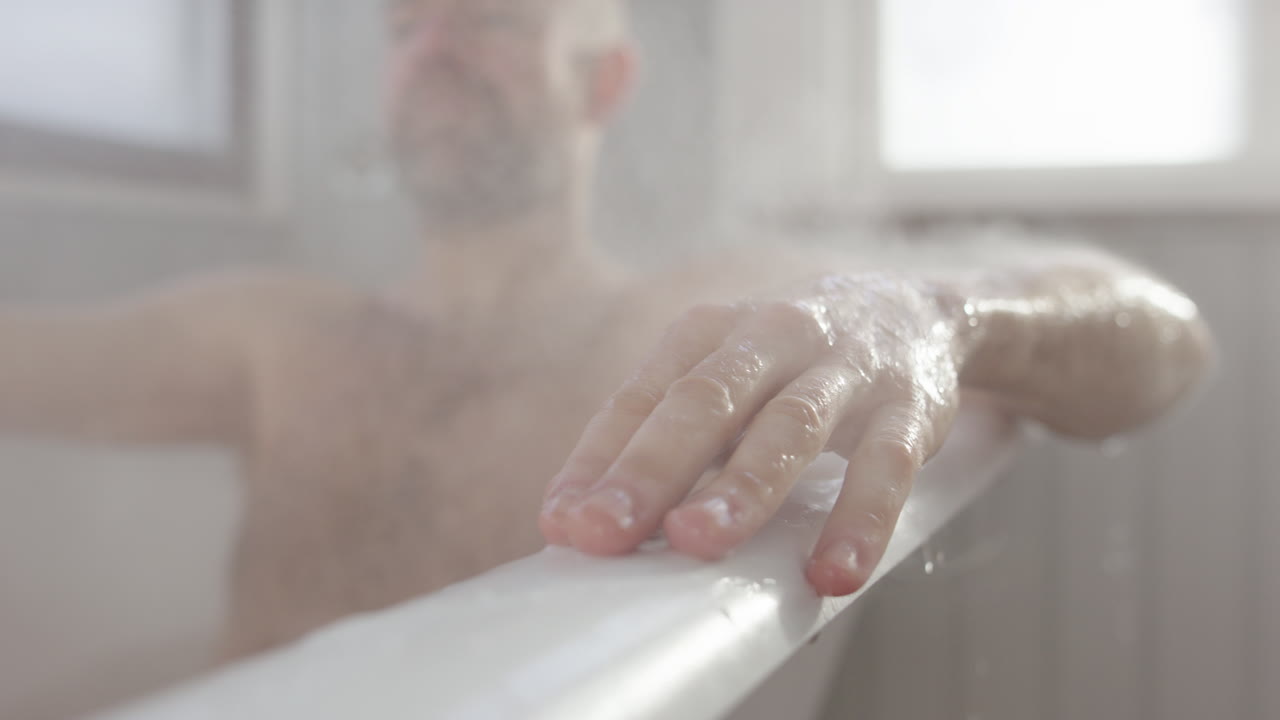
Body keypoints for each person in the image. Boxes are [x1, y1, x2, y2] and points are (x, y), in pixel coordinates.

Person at [0, 0, 1212, 663]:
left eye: (488, 20)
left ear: (605, 79)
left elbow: (1165, 342)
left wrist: (931, 313)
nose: (432, 50)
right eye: (404, 28)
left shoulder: (699, 321)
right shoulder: (268, 336)